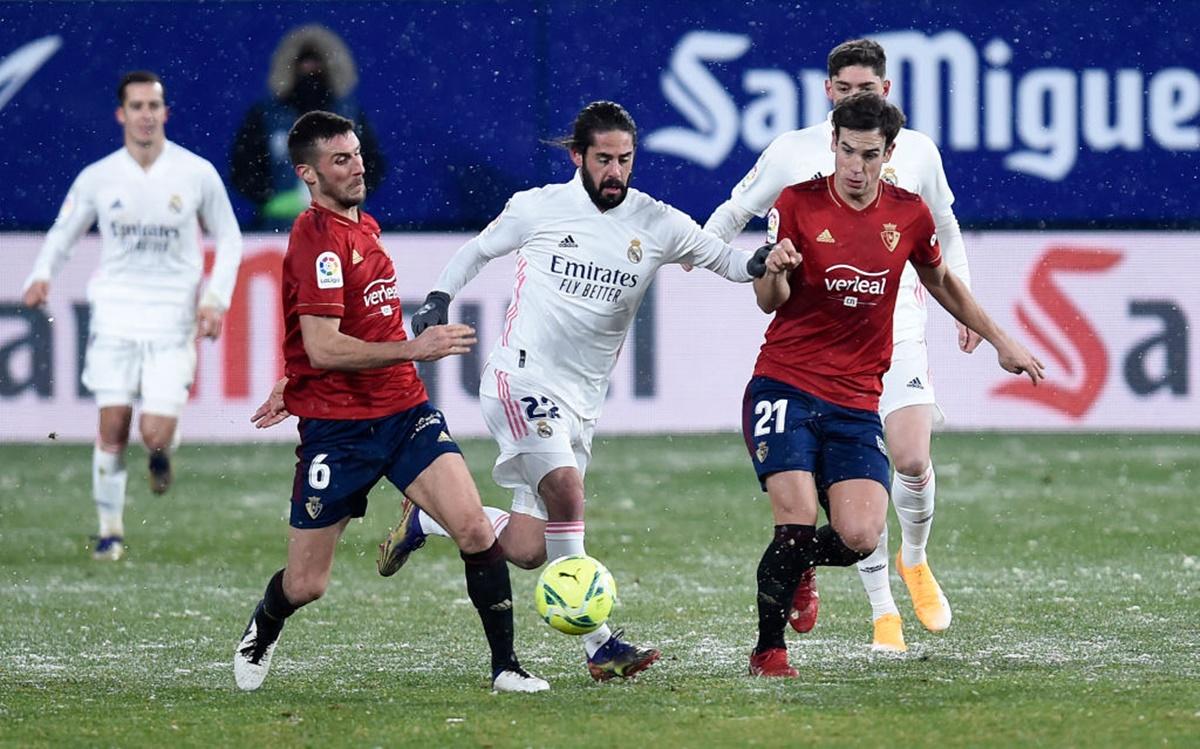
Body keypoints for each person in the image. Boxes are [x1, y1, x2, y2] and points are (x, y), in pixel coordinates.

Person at [377, 101, 771, 681]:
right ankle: (599, 644)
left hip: (581, 402)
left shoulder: (655, 221)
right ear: (578, 158)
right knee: (565, 490)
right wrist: (437, 299)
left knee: (532, 547)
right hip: (520, 377)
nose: (615, 171)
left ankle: (429, 519)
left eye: (625, 160)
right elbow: (476, 251)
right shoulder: (539, 207)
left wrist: (764, 259)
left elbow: (728, 263)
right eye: (604, 159)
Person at [232, 111, 547, 694]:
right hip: (338, 432)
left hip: (404, 412)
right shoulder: (317, 242)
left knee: (476, 529)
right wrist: (413, 346)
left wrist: (294, 374)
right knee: (307, 584)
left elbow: (327, 337)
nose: (356, 167)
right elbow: (324, 347)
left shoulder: (364, 226)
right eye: (340, 160)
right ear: (307, 172)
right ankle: (266, 621)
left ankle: (506, 666)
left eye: (356, 154)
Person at [744, 92, 1044, 677]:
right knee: (798, 517)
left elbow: (942, 282)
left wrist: (1001, 339)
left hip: (857, 397)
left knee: (858, 535)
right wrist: (774, 272)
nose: (857, 168)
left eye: (870, 155)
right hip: (786, 383)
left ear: (890, 153)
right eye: (848, 153)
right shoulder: (797, 204)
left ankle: (799, 560)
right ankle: (768, 650)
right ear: (833, 145)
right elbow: (768, 302)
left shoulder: (908, 214)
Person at [704, 38, 980, 652]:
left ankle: (915, 558)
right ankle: (875, 607)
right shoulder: (792, 157)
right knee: (821, 511)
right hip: (820, 342)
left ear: (886, 92)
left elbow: (945, 231)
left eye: (870, 90)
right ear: (829, 95)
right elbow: (729, 218)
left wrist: (972, 309)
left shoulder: (918, 153)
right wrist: (731, 262)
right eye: (847, 90)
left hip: (896, 328)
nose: (859, 99)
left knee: (909, 461)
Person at [21, 71, 244, 562]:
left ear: (166, 112)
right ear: (122, 114)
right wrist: (41, 275)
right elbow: (63, 233)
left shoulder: (196, 172)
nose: (146, 114)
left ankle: (160, 452)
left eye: (154, 105)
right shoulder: (99, 177)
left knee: (153, 432)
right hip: (116, 316)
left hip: (172, 320)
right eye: (137, 106)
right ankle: (110, 531)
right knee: (113, 426)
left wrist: (216, 299)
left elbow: (229, 238)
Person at [230, 24, 385, 230]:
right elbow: (243, 167)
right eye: (303, 64)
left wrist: (344, 195)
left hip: (342, 226)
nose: (310, 72)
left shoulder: (351, 115)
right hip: (278, 230)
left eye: (317, 64)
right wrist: (270, 197)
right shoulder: (266, 116)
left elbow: (373, 165)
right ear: (290, 68)